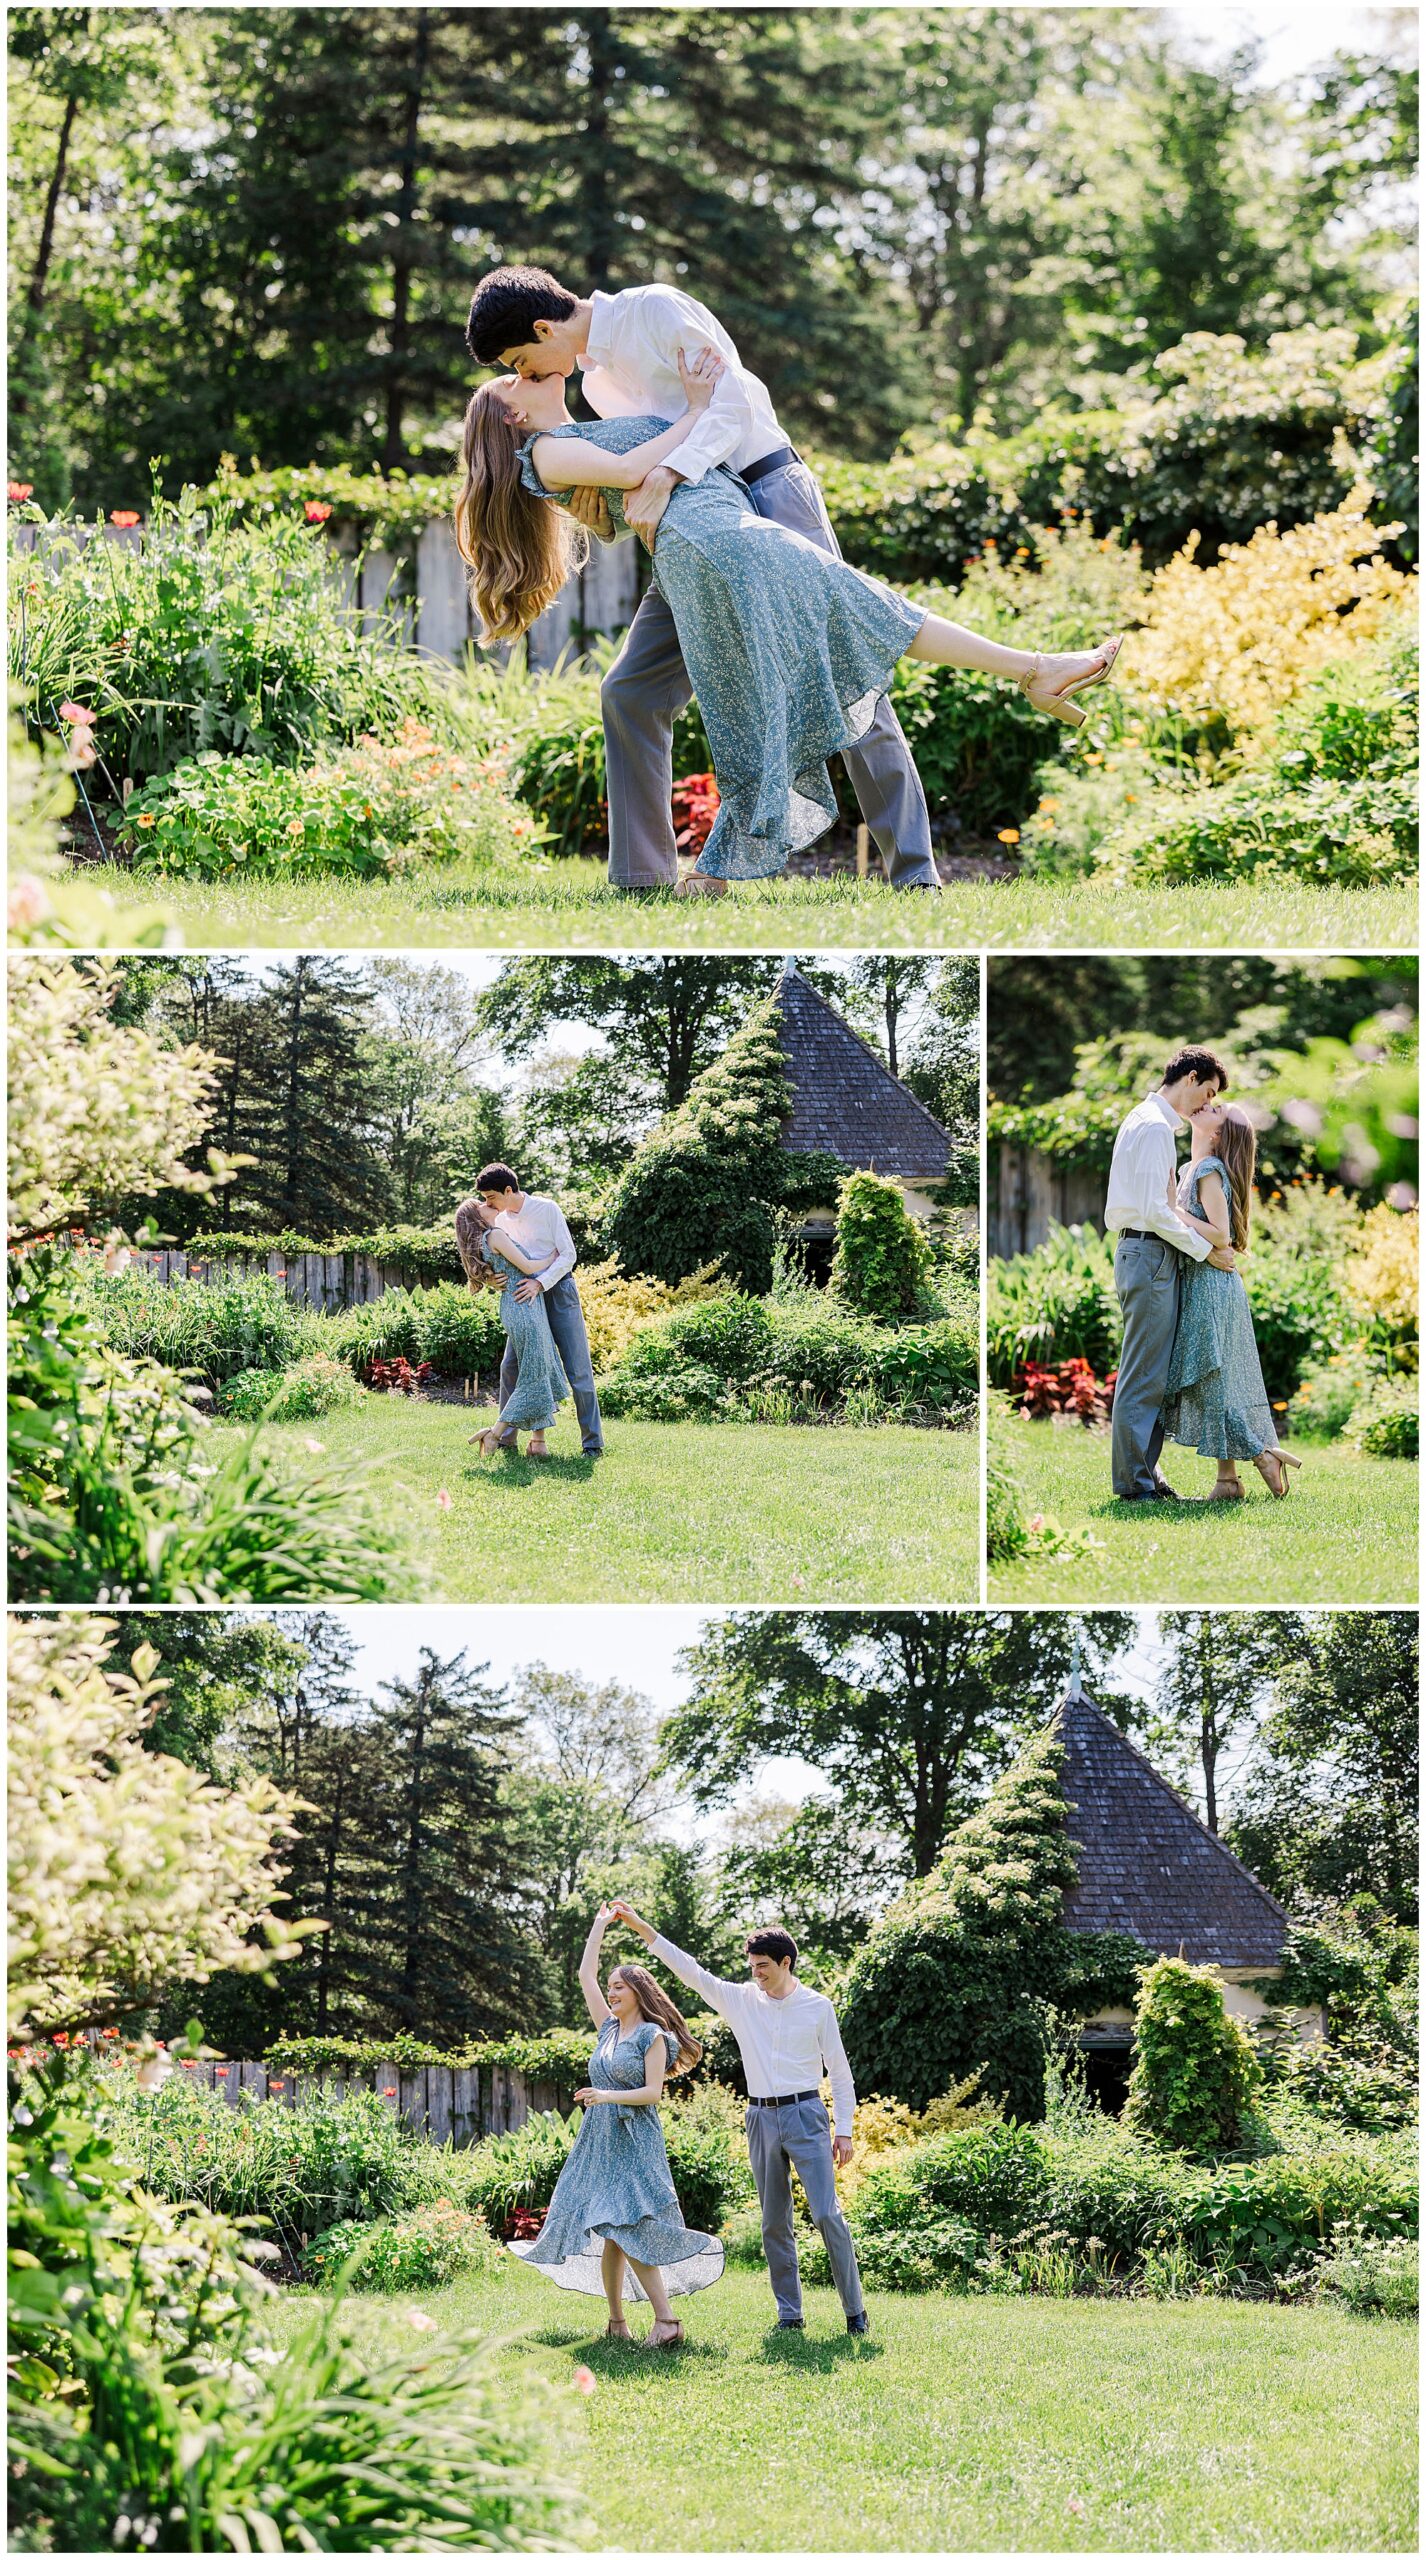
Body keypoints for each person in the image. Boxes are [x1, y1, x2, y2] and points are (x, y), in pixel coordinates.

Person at [458, 268, 1119, 896]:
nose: (524, 376)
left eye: (519, 362)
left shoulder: (652, 312)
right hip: (693, 538)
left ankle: (914, 873)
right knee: (630, 693)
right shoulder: (597, 388)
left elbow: (733, 406)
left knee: (850, 667)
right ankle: (641, 877)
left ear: (544, 331)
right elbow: (618, 476)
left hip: (767, 492)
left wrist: (665, 475)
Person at [611, 1902, 869, 2337]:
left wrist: (842, 2129)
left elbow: (840, 2074)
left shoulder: (817, 2007)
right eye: (752, 1965)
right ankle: (790, 2314)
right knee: (773, 2221)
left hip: (807, 2114)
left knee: (827, 2214)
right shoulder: (741, 2000)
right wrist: (639, 1926)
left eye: (763, 1966)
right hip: (760, 2117)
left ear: (786, 1962)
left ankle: (854, 2311)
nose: (756, 1973)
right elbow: (689, 1970)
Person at [507, 1905, 723, 2346]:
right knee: (610, 2230)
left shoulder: (652, 2037)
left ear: (639, 1992)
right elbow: (585, 1975)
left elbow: (652, 2093)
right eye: (611, 1988)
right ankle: (617, 2323)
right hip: (599, 2140)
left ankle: (666, 2322)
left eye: (619, 1987)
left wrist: (604, 2095)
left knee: (626, 2225)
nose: (612, 1992)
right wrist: (599, 1927)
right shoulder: (607, 2029)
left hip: (634, 2138)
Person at [1103, 1049, 1241, 1502]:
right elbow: (1155, 1212)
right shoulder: (1154, 1126)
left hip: (1152, 1253)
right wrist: (1207, 1251)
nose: (1208, 1102)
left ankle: (1147, 1475)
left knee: (1153, 1374)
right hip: (1147, 1251)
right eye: (1209, 1091)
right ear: (1192, 1076)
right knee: (1144, 1374)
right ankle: (1134, 1485)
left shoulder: (1152, 1122)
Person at [1161, 1101, 1302, 1499]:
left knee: (1213, 1381)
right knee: (1214, 1381)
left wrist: (1172, 1210)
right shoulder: (1192, 1169)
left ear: (1218, 1133)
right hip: (1205, 1282)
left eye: (1216, 1108)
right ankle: (1228, 1480)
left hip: (1211, 1285)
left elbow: (1221, 1235)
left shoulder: (1207, 1170)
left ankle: (1262, 1454)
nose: (1206, 1105)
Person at [454, 1165, 603, 1459]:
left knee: (578, 1370)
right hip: (524, 1299)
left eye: (492, 1197)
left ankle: (592, 1444)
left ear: (509, 1191)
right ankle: (508, 1439)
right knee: (510, 1367)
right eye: (484, 1199)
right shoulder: (499, 1220)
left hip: (558, 1292)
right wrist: (491, 1281)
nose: (487, 1204)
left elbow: (568, 1255)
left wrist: (540, 1282)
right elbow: (497, 1258)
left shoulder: (547, 1209)